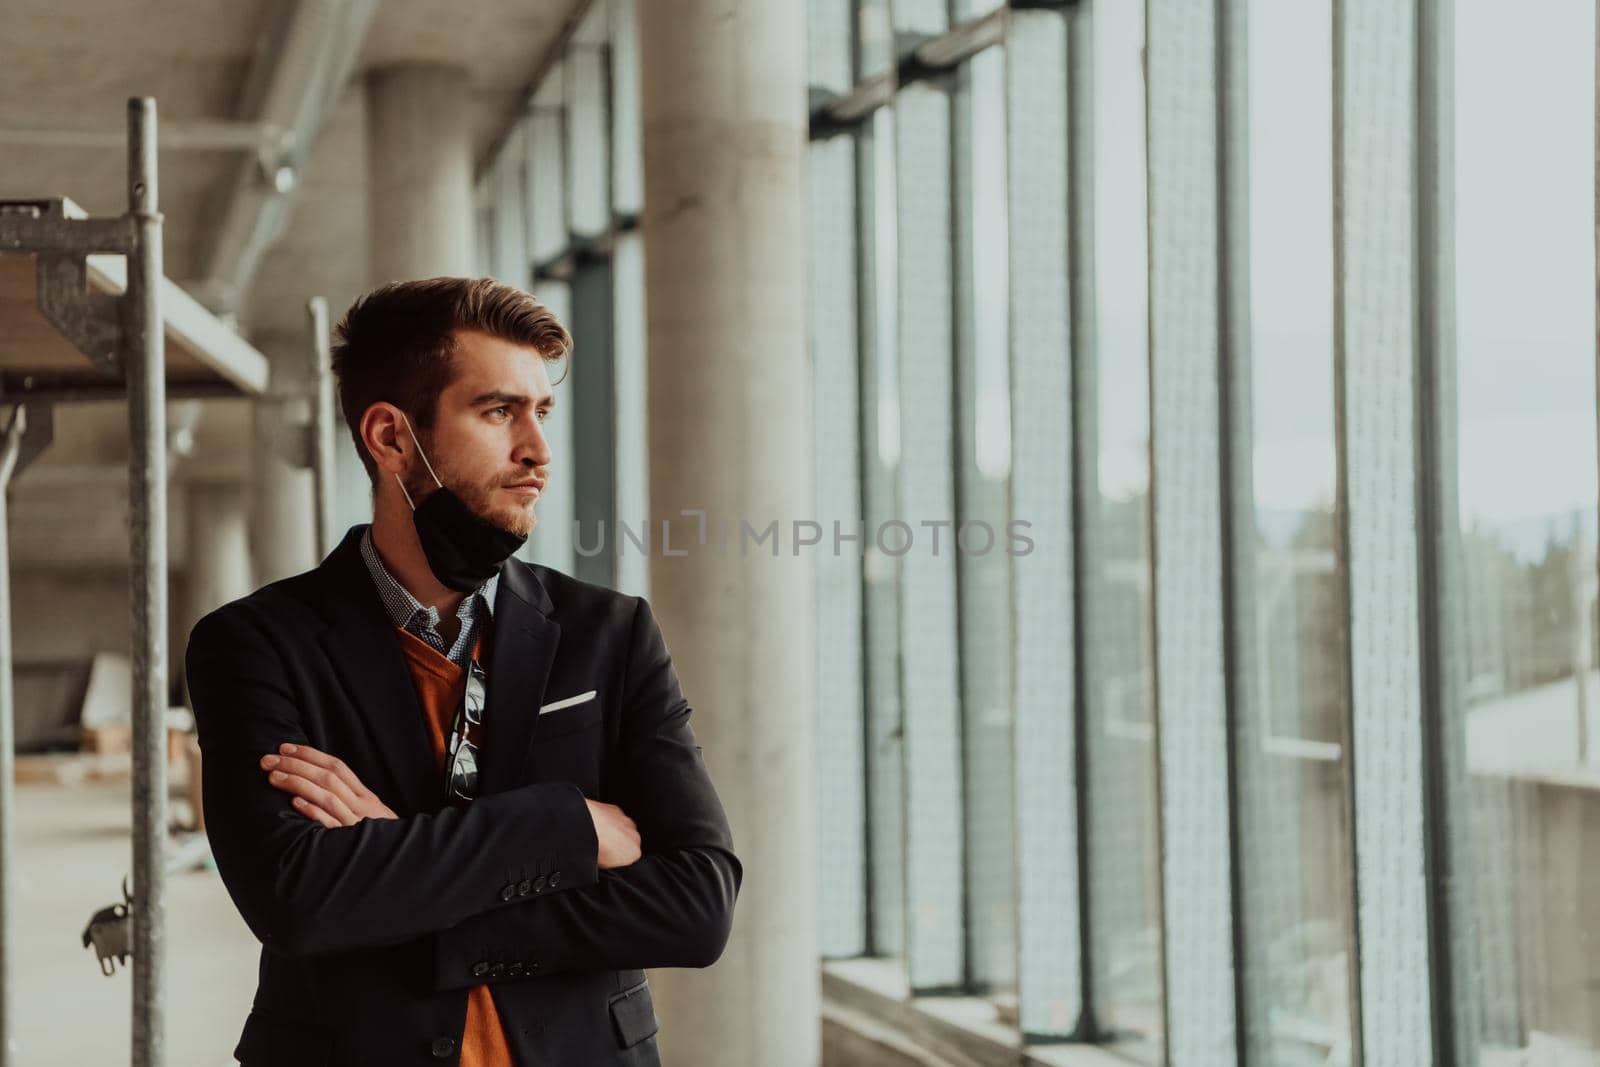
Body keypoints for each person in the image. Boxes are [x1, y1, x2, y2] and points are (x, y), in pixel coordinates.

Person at [184, 277, 740, 1066]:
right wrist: (567, 826)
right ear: (391, 437)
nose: (538, 450)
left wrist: (400, 875)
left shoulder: (609, 636)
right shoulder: (254, 645)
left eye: (541, 411)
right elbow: (299, 899)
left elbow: (697, 902)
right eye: (498, 411)